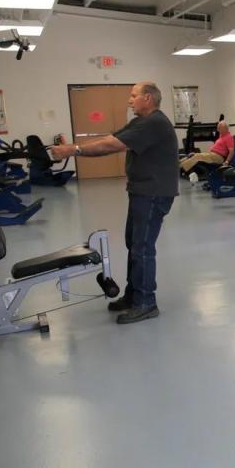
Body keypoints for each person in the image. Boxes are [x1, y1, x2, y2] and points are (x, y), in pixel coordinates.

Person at [48, 81, 179, 324]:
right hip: (142, 191)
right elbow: (112, 137)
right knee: (134, 243)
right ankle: (133, 296)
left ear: (148, 98)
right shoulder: (141, 121)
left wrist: (72, 150)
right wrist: (75, 147)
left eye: (133, 95)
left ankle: (146, 302)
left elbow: (112, 145)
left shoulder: (153, 123)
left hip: (153, 193)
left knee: (142, 247)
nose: (129, 100)